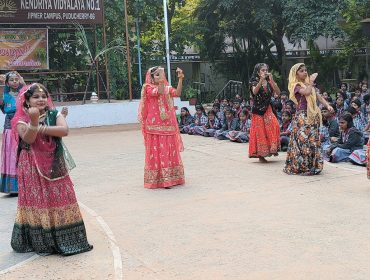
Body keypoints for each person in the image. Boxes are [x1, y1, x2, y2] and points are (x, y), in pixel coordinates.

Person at [10, 83, 92, 255]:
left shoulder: (54, 114)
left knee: (61, 195)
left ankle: (67, 237)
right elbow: (29, 139)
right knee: (38, 199)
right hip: (31, 165)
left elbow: (64, 130)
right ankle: (42, 241)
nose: (41, 99)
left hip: (54, 162)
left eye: (43, 96)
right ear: (27, 100)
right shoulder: (19, 120)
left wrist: (40, 126)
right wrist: (33, 122)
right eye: (35, 97)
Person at [138, 66, 185, 189]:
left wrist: (180, 79)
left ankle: (172, 177)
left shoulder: (166, 88)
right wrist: (160, 81)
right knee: (157, 151)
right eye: (157, 75)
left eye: (161, 74)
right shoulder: (148, 87)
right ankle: (160, 180)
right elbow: (158, 92)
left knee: (169, 150)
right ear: (152, 77)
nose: (160, 76)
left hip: (168, 124)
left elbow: (177, 93)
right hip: (154, 126)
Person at [283, 63, 334, 175]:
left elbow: (318, 96)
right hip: (302, 117)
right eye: (301, 71)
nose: (305, 72)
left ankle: (312, 166)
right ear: (295, 73)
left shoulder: (308, 84)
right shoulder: (296, 85)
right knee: (303, 141)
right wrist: (310, 83)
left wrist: (327, 105)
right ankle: (301, 166)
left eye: (306, 70)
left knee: (312, 141)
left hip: (312, 116)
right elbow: (306, 92)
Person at [248, 63, 281, 162]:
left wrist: (272, 80)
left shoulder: (269, 81)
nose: (265, 72)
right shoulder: (253, 81)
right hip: (258, 110)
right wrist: (261, 81)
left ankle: (272, 149)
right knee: (260, 132)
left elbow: (278, 93)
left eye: (266, 70)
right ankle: (261, 156)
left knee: (275, 125)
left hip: (268, 108)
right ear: (258, 72)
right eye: (263, 70)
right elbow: (254, 92)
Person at [0, 71, 26, 194]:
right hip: (10, 128)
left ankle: (26, 183)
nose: (15, 82)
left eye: (17, 79)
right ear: (7, 83)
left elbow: (30, 94)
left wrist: (23, 81)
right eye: (12, 80)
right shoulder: (4, 96)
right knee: (11, 154)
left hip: (23, 126)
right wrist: (0, 85)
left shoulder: (23, 94)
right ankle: (13, 188)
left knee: (24, 153)